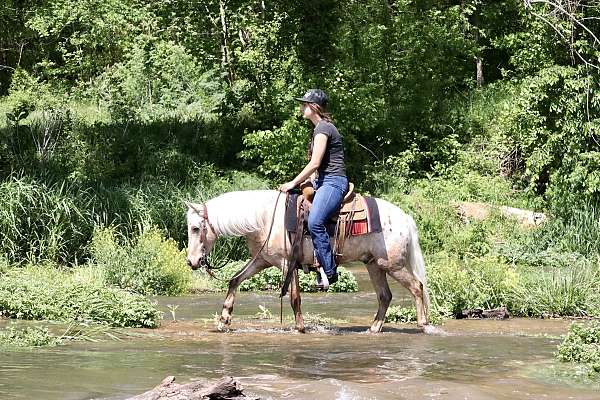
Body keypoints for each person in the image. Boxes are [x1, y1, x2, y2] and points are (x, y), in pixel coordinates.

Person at [279, 89, 348, 289]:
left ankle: (328, 270)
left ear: (314, 107)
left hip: (334, 182)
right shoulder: (318, 129)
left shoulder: (323, 128)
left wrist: (292, 183)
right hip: (323, 181)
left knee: (316, 221)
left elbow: (315, 163)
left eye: (305, 104)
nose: (302, 107)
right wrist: (302, 185)